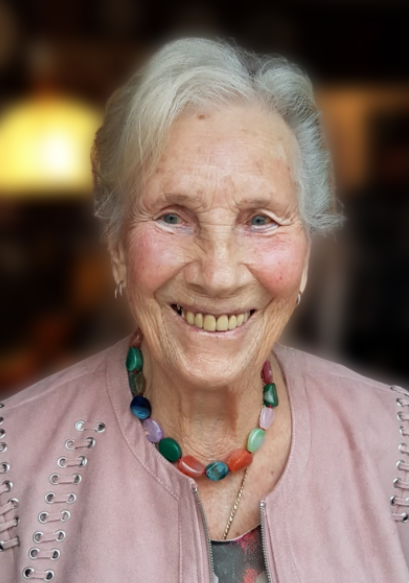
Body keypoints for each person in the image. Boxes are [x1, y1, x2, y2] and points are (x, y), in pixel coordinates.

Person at [1, 38, 408, 583]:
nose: (217, 275)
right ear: (118, 247)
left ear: (306, 252)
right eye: (173, 217)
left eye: (260, 219)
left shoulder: (396, 447)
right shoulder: (13, 466)